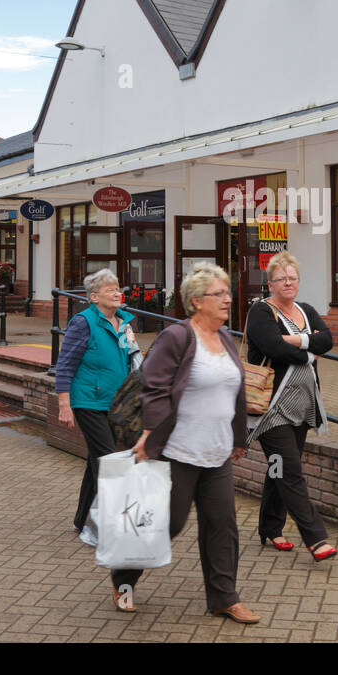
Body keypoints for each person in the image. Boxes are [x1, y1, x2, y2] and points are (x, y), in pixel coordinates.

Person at [113, 263, 258, 624]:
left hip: (217, 451)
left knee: (222, 526)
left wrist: (239, 437)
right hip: (177, 451)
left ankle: (225, 597)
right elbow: (155, 387)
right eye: (219, 294)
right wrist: (149, 433)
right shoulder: (177, 337)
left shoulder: (225, 338)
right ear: (196, 301)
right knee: (167, 524)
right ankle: (124, 579)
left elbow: (236, 392)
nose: (228, 299)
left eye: (228, 292)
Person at [244, 252, 337, 561]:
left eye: (292, 277)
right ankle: (316, 538)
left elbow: (328, 340)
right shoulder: (261, 311)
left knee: (280, 467)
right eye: (282, 278)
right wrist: (309, 351)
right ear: (270, 283)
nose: (288, 282)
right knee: (290, 469)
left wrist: (296, 341)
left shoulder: (306, 310)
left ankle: (271, 528)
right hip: (271, 407)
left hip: (302, 404)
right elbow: (272, 347)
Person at [53, 269, 139, 542]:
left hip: (117, 403)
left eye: (118, 289)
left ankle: (82, 521)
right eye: (110, 289)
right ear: (93, 297)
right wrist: (64, 404)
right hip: (89, 401)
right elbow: (65, 364)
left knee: (96, 463)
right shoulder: (84, 322)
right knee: (109, 462)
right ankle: (108, 526)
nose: (117, 293)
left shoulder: (124, 322)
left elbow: (131, 360)